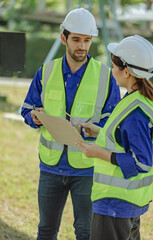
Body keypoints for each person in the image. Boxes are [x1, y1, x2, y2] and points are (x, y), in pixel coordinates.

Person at [21, 8, 120, 240]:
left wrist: (98, 128)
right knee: (45, 230)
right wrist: (34, 116)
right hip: (50, 167)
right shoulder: (46, 72)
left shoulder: (106, 77)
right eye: (76, 39)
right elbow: (26, 108)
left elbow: (113, 121)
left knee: (85, 232)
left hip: (86, 168)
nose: (82, 47)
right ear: (63, 38)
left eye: (87, 40)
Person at [76, 35, 153, 240]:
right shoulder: (137, 99)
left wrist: (99, 153)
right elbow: (124, 138)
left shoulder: (136, 112)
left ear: (127, 71)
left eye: (113, 65)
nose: (111, 69)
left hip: (116, 205)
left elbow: (142, 162)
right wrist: (98, 132)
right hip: (125, 203)